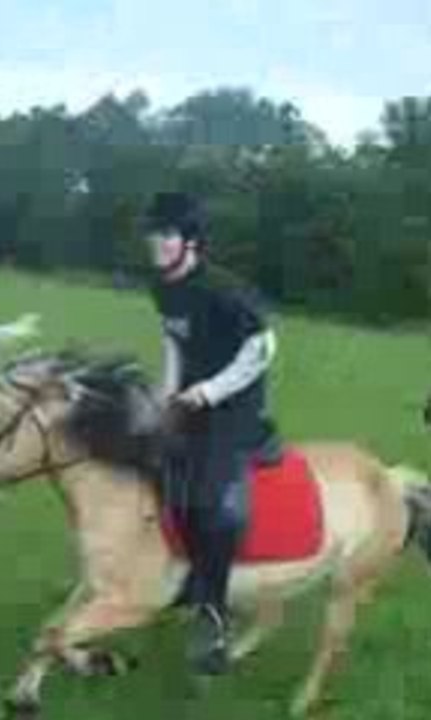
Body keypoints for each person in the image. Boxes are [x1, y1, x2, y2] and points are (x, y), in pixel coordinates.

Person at [144, 190, 281, 675]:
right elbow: (173, 342)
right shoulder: (163, 287)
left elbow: (263, 348)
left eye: (165, 234)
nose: (155, 243)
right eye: (153, 233)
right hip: (190, 398)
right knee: (159, 473)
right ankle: (187, 578)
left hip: (235, 409)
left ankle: (213, 611)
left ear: (191, 243)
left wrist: (208, 392)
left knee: (210, 499)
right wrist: (165, 395)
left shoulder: (223, 290)